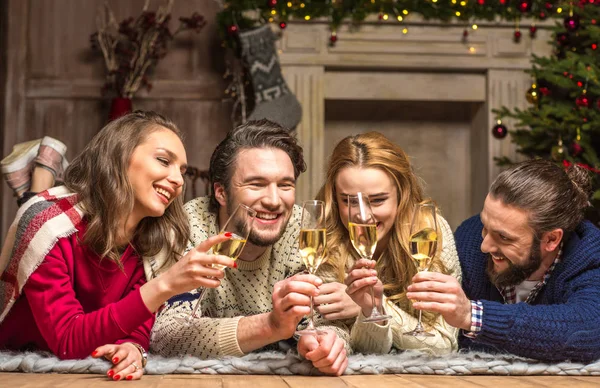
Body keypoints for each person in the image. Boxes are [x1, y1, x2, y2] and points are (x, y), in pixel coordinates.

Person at [0, 111, 237, 381]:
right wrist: (166, 285)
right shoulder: (49, 228)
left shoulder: (155, 242)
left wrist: (133, 347)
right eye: (163, 161)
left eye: (182, 171)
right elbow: (68, 340)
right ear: (120, 157)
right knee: (34, 207)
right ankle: (37, 185)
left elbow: (139, 321)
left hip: (87, 372)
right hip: (21, 372)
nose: (179, 180)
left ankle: (37, 179)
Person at [150, 119, 349, 376]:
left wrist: (327, 343)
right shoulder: (187, 229)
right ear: (221, 193)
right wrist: (270, 325)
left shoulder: (305, 230)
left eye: (285, 185)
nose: (274, 201)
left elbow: (334, 322)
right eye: (256, 184)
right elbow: (166, 336)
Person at [408, 159, 600, 363]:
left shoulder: (587, 254)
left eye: (504, 238)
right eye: (485, 226)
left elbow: (588, 331)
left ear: (551, 239)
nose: (485, 246)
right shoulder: (470, 238)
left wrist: (473, 316)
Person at [315, 132, 462, 355]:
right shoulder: (325, 240)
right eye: (349, 201)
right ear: (335, 199)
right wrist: (368, 312)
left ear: (401, 194)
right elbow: (363, 351)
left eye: (377, 200)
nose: (362, 217)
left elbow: (444, 345)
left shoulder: (429, 232)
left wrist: (375, 307)